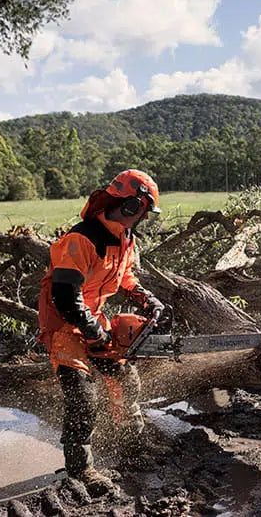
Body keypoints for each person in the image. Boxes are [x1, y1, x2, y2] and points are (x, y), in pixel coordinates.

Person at [37, 169, 165, 495]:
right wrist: (92, 330)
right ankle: (81, 470)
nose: (143, 218)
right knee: (83, 396)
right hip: (65, 327)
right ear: (130, 205)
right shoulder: (82, 239)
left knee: (125, 377)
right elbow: (65, 295)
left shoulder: (124, 238)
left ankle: (134, 442)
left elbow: (124, 278)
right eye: (142, 211)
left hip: (92, 318)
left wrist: (146, 299)